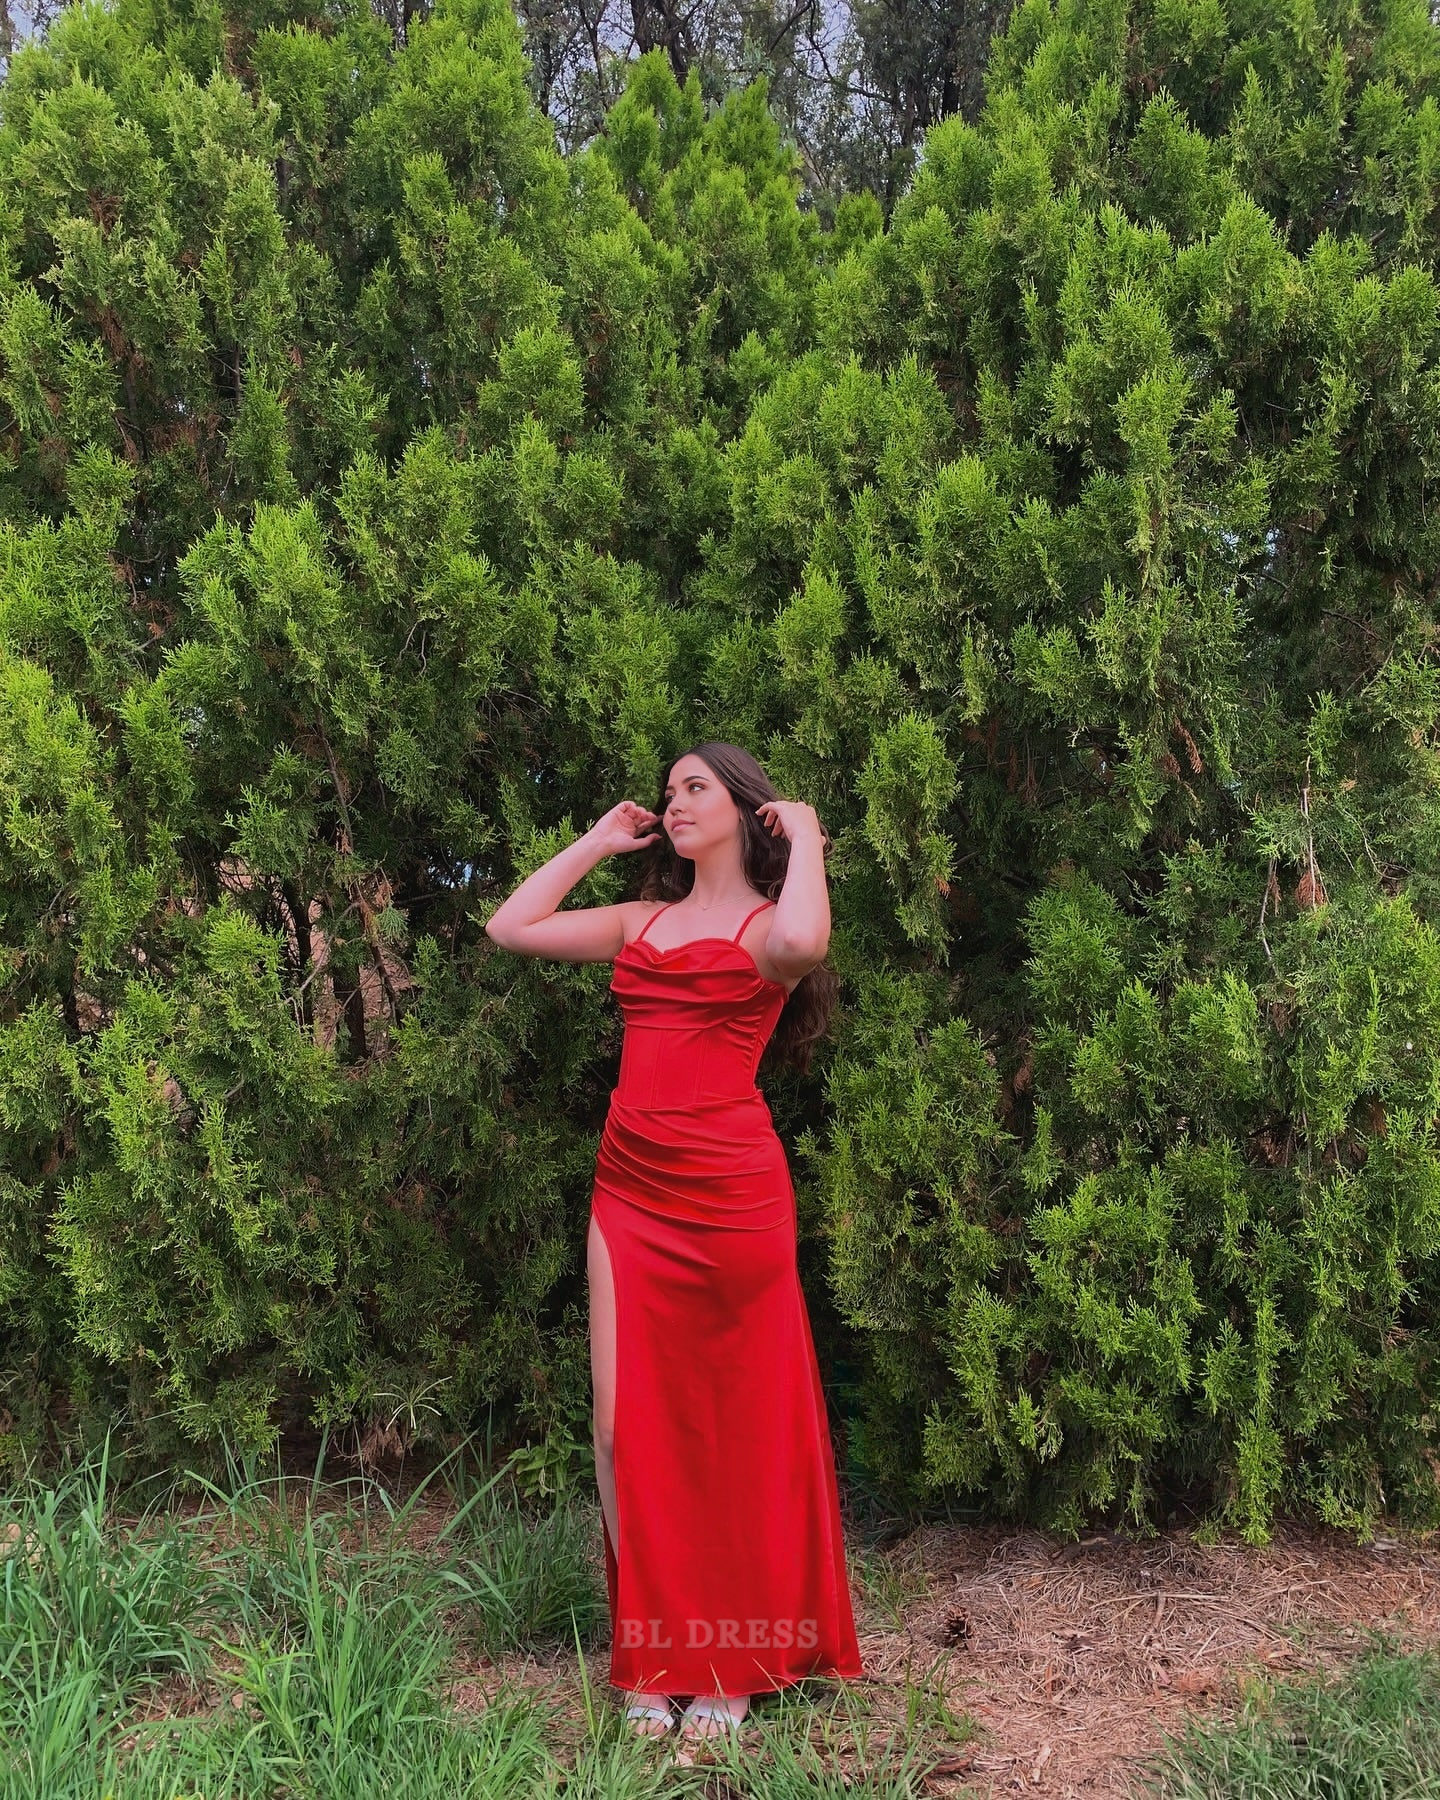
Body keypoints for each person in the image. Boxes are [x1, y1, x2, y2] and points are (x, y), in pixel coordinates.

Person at [485, 741, 864, 1742]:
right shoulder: (640, 920)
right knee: (621, 1429)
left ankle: (730, 1663)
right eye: (669, 792)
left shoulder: (765, 929)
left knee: (732, 1430)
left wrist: (809, 837)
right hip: (629, 1191)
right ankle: (653, 1651)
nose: (675, 802)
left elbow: (808, 939)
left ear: (745, 808)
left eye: (696, 788)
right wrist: (596, 841)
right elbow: (510, 925)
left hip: (731, 1198)